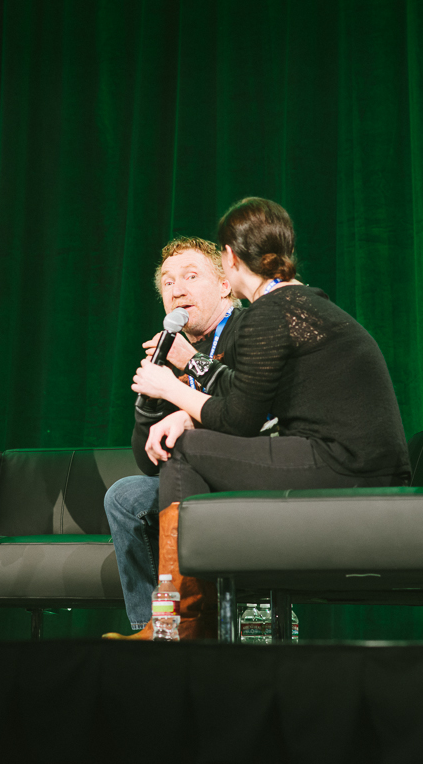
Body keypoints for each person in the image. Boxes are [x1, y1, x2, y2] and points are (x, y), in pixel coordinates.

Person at [131, 198, 410, 521]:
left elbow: (240, 420)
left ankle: (183, 573)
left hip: (347, 464)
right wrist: (184, 412)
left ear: (230, 259)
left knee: (184, 450)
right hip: (367, 464)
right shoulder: (299, 302)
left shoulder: (268, 313)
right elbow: (247, 396)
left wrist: (171, 390)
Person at [104, 237, 244, 632]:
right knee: (127, 496)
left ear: (224, 285)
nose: (176, 289)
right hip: (187, 477)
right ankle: (155, 628)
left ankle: (195, 624)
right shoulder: (173, 349)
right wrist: (151, 397)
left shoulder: (247, 330)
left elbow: (249, 407)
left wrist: (192, 363)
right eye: (167, 282)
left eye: (190, 276)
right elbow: (147, 461)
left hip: (248, 471)